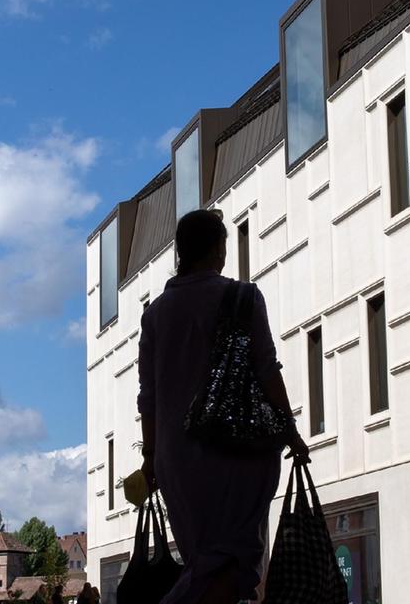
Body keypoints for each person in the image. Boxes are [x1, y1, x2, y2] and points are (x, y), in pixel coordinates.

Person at [138, 208, 310, 604]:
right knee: (235, 561)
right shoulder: (244, 297)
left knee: (205, 559)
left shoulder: (155, 315)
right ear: (218, 248)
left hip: (177, 458)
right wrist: (290, 429)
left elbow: (149, 397)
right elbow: (267, 369)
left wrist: (151, 458)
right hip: (239, 448)